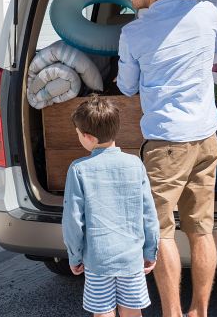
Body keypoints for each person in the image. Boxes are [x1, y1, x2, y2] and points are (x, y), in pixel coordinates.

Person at [116, 0, 217, 317]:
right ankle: (199, 311)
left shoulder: (134, 32)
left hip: (166, 144)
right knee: (200, 229)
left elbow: (125, 87)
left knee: (162, 232)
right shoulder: (205, 12)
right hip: (205, 137)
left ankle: (172, 314)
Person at [62, 95, 160, 317]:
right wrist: (150, 250)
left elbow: (73, 220)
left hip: (98, 261)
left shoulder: (79, 169)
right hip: (131, 258)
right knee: (132, 311)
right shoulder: (135, 164)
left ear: (87, 137)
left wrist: (75, 256)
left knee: (103, 312)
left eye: (78, 134)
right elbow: (149, 214)